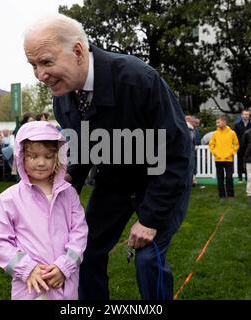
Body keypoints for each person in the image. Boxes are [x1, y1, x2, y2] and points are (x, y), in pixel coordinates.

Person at [23, 14, 192, 300]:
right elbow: (82, 147)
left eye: (47, 62)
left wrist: (150, 219)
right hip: (114, 182)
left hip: (160, 179)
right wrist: (62, 187)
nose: (40, 76)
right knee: (84, 253)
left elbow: (176, 153)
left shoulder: (138, 79)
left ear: (78, 51)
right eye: (33, 66)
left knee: (148, 259)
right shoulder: (62, 96)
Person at [0, 121, 88, 300]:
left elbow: (79, 233)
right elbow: (0, 241)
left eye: (48, 156)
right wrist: (27, 269)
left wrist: (65, 266)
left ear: (57, 157)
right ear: (21, 157)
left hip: (65, 284)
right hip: (30, 287)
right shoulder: (9, 198)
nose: (41, 163)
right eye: (33, 156)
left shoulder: (69, 193)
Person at [209, 115, 239, 200]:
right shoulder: (215, 133)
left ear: (224, 122)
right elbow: (211, 145)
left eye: (218, 122)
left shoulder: (232, 133)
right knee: (220, 178)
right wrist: (215, 153)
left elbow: (236, 144)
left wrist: (232, 153)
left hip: (228, 159)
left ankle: (230, 195)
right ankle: (222, 196)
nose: (217, 124)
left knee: (229, 177)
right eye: (216, 122)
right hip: (218, 160)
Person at [234, 109, 251, 183]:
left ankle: (248, 178)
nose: (246, 116)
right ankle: (240, 177)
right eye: (245, 114)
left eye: (247, 114)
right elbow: (235, 136)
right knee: (240, 162)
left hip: (249, 146)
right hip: (240, 146)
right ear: (242, 115)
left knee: (248, 162)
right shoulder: (237, 125)